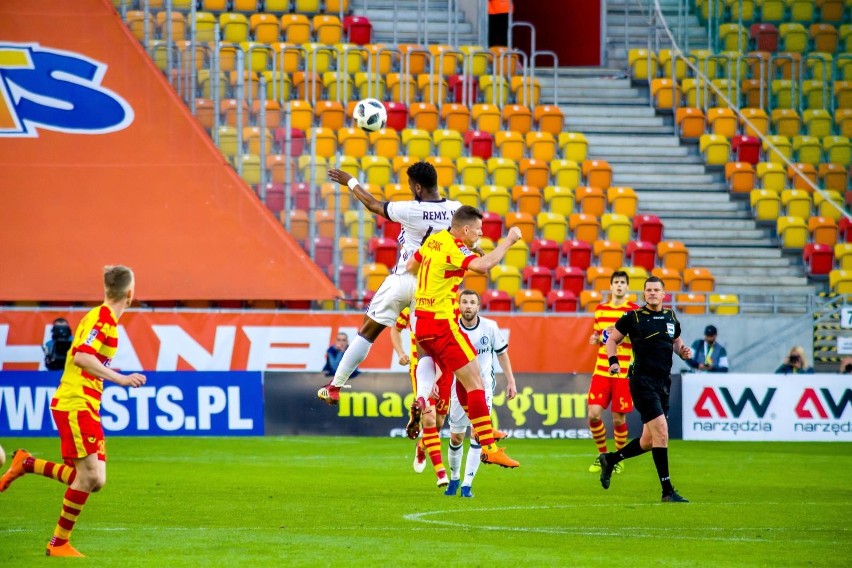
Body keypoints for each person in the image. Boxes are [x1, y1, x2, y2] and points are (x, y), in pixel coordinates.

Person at [0, 266, 147, 557]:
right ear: (130, 293)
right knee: (89, 477)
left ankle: (27, 464)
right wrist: (121, 378)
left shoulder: (104, 319)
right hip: (75, 403)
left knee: (96, 480)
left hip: (85, 404)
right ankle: (58, 544)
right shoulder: (102, 319)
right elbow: (81, 357)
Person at [317, 162, 461, 410]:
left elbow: (372, 204)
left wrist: (350, 180)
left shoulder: (410, 209)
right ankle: (423, 397)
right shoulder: (456, 210)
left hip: (403, 279)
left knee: (367, 332)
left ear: (417, 186)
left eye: (409, 185)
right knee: (424, 348)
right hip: (431, 288)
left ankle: (335, 386)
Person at [406, 205, 523, 472]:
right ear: (466, 229)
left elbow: (412, 264)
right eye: (479, 230)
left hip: (421, 322)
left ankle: (482, 429)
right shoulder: (455, 248)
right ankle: (489, 448)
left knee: (463, 378)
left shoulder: (435, 239)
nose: (480, 235)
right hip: (443, 323)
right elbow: (482, 268)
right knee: (477, 381)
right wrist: (509, 241)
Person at [597, 276, 693, 503]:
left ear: (663, 293)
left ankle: (610, 459)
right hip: (641, 381)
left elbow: (677, 343)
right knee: (662, 431)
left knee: (649, 441)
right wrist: (613, 361)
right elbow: (611, 340)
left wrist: (683, 352)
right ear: (644, 293)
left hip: (663, 383)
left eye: (656, 290)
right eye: (648, 290)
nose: (652, 293)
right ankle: (667, 490)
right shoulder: (634, 317)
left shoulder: (671, 317)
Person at [444, 289, 517, 498]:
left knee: (477, 434)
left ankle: (467, 484)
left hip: (483, 387)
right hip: (457, 388)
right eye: (464, 302)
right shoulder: (452, 327)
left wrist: (511, 380)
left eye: (472, 302)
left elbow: (502, 354)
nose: (467, 306)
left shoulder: (489, 327)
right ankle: (455, 477)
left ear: (478, 306)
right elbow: (442, 358)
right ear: (459, 305)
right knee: (456, 437)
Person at [390, 306, 453, 482]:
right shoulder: (411, 307)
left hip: (444, 370)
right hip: (420, 367)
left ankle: (422, 445)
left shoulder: (445, 305)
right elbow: (395, 329)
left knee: (439, 423)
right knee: (429, 419)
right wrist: (401, 353)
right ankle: (441, 473)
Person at [587, 271, 639, 475]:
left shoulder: (633, 310)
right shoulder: (600, 310)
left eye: (622, 283)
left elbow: (638, 338)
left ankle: (617, 458)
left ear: (627, 287)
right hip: (601, 370)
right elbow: (599, 335)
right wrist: (595, 338)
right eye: (616, 282)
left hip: (623, 371)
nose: (619, 285)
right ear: (610, 287)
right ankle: (603, 456)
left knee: (618, 419)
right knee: (593, 415)